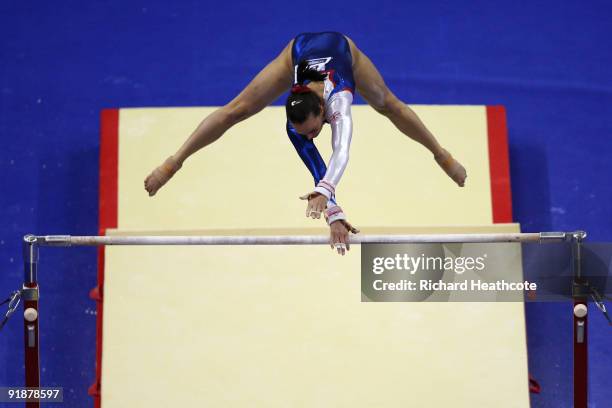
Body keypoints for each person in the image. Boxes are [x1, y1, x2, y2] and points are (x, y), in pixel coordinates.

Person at [144, 32, 467, 255]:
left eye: (315, 131)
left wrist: (328, 197)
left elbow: (341, 151)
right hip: (297, 53)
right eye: (307, 134)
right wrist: (333, 211)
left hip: (342, 52)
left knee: (388, 105)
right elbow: (317, 166)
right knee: (238, 109)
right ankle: (175, 160)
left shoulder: (339, 101)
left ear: (323, 112)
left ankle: (441, 154)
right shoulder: (296, 123)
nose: (313, 137)